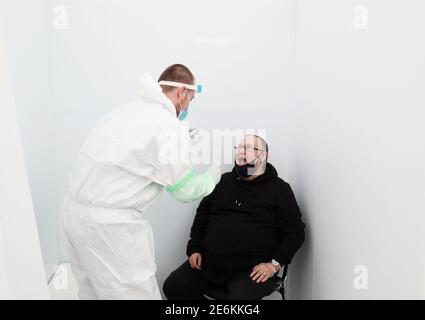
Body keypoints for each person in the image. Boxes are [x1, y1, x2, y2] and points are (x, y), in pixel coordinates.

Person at [62, 64, 221, 299]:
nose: (188, 107)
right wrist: (211, 178)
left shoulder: (126, 111)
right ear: (182, 92)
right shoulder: (167, 127)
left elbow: (128, 154)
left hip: (74, 214)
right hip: (109, 227)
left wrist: (177, 143)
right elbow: (185, 191)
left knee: (92, 292)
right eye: (191, 100)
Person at [163, 135, 305, 300]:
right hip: (210, 265)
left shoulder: (279, 190)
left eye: (249, 149)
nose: (241, 152)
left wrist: (273, 265)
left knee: (238, 300)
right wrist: (194, 248)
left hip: (250, 271)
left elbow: (295, 232)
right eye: (239, 148)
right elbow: (202, 216)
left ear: (264, 155)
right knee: (174, 287)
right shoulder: (222, 182)